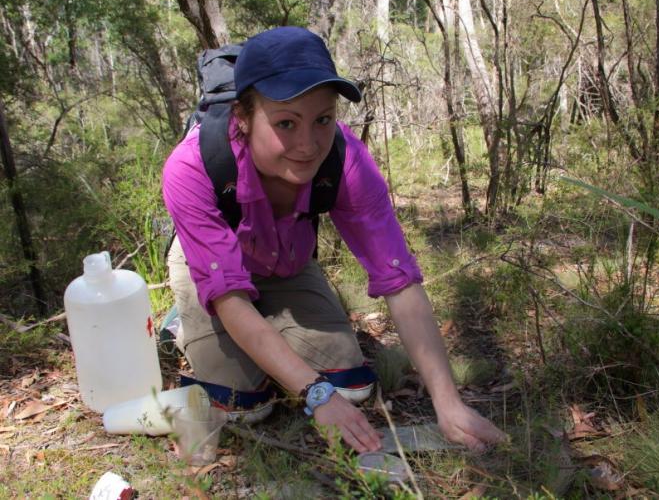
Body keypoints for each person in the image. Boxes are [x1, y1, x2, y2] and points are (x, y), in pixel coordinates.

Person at [162, 26, 506, 453]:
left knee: (351, 387)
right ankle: (182, 323)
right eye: (285, 123)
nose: (308, 145)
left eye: (323, 119)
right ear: (243, 118)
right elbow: (230, 296)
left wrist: (448, 402)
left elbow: (398, 279)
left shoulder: (347, 162)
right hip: (214, 272)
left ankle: (274, 329)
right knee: (242, 405)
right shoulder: (193, 167)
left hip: (286, 261)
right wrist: (314, 393)